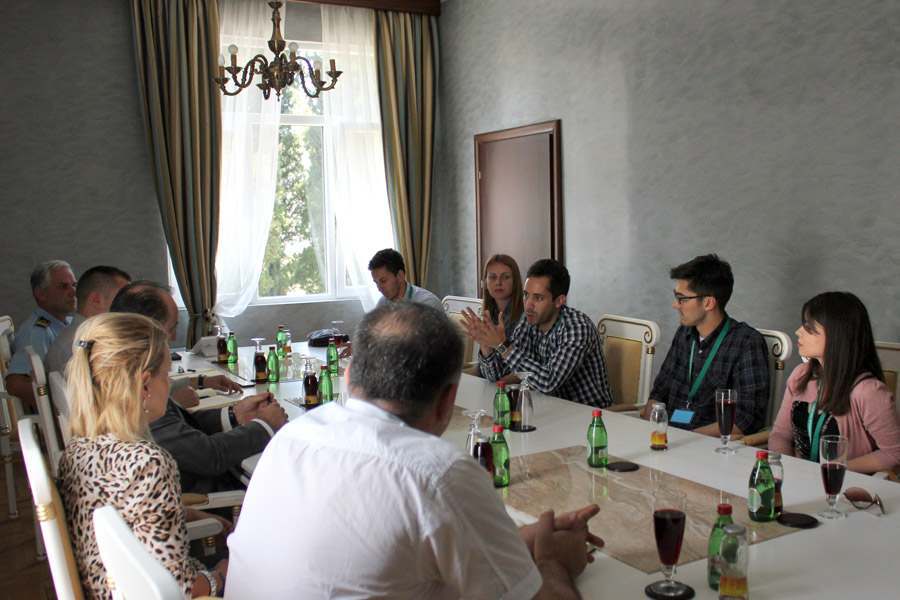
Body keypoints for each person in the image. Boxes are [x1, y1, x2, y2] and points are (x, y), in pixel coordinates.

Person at [226, 302, 603, 599]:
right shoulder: (438, 473)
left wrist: (532, 535)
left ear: (347, 374)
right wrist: (554, 561)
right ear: (448, 400)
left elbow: (397, 553)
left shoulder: (292, 438)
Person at [58, 312, 227, 597]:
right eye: (166, 376)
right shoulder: (148, 464)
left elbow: (128, 510)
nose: (169, 384)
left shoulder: (77, 448)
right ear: (145, 384)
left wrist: (186, 512)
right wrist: (220, 576)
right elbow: (180, 588)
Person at [111, 281, 287, 493]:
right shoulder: (136, 392)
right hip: (204, 497)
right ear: (149, 328)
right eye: (172, 328)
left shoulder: (124, 375)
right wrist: (265, 424)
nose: (174, 337)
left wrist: (234, 414)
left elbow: (181, 429)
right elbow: (209, 456)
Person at [769, 292, 900, 474]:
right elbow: (780, 435)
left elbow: (894, 454)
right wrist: (789, 472)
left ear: (837, 334)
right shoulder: (801, 375)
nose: (799, 331)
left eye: (809, 327)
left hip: (844, 488)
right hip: (799, 481)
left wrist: (833, 471)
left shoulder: (868, 391)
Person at [643, 254, 770, 436]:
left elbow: (744, 421)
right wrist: (654, 431)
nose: (675, 305)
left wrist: (686, 440)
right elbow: (659, 393)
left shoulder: (746, 343)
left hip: (710, 449)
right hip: (667, 438)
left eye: (682, 299)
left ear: (709, 302)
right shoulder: (684, 334)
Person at [463, 258, 613, 407]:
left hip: (591, 416)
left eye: (538, 298)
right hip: (549, 409)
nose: (528, 305)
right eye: (526, 295)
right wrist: (487, 347)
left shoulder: (577, 327)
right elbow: (499, 376)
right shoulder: (528, 321)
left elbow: (549, 382)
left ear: (559, 301)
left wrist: (503, 347)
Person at [5, 260, 76, 408]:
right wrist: (58, 410)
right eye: (63, 287)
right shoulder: (37, 332)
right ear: (41, 294)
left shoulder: (69, 322)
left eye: (74, 285)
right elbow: (16, 384)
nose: (73, 292)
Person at [45, 265, 132, 374]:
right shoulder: (82, 347)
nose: (129, 307)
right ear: (96, 300)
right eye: (122, 299)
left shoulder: (78, 337)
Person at [368, 248, 441, 310]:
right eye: (376, 283)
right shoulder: (382, 303)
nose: (379, 289)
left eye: (383, 281)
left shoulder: (428, 303)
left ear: (400, 276)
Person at [482, 253, 525, 339]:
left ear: (515, 281)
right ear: (485, 283)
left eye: (505, 277)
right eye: (493, 277)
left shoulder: (525, 315)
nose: (498, 282)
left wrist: (499, 344)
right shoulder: (489, 313)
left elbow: (517, 353)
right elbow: (487, 352)